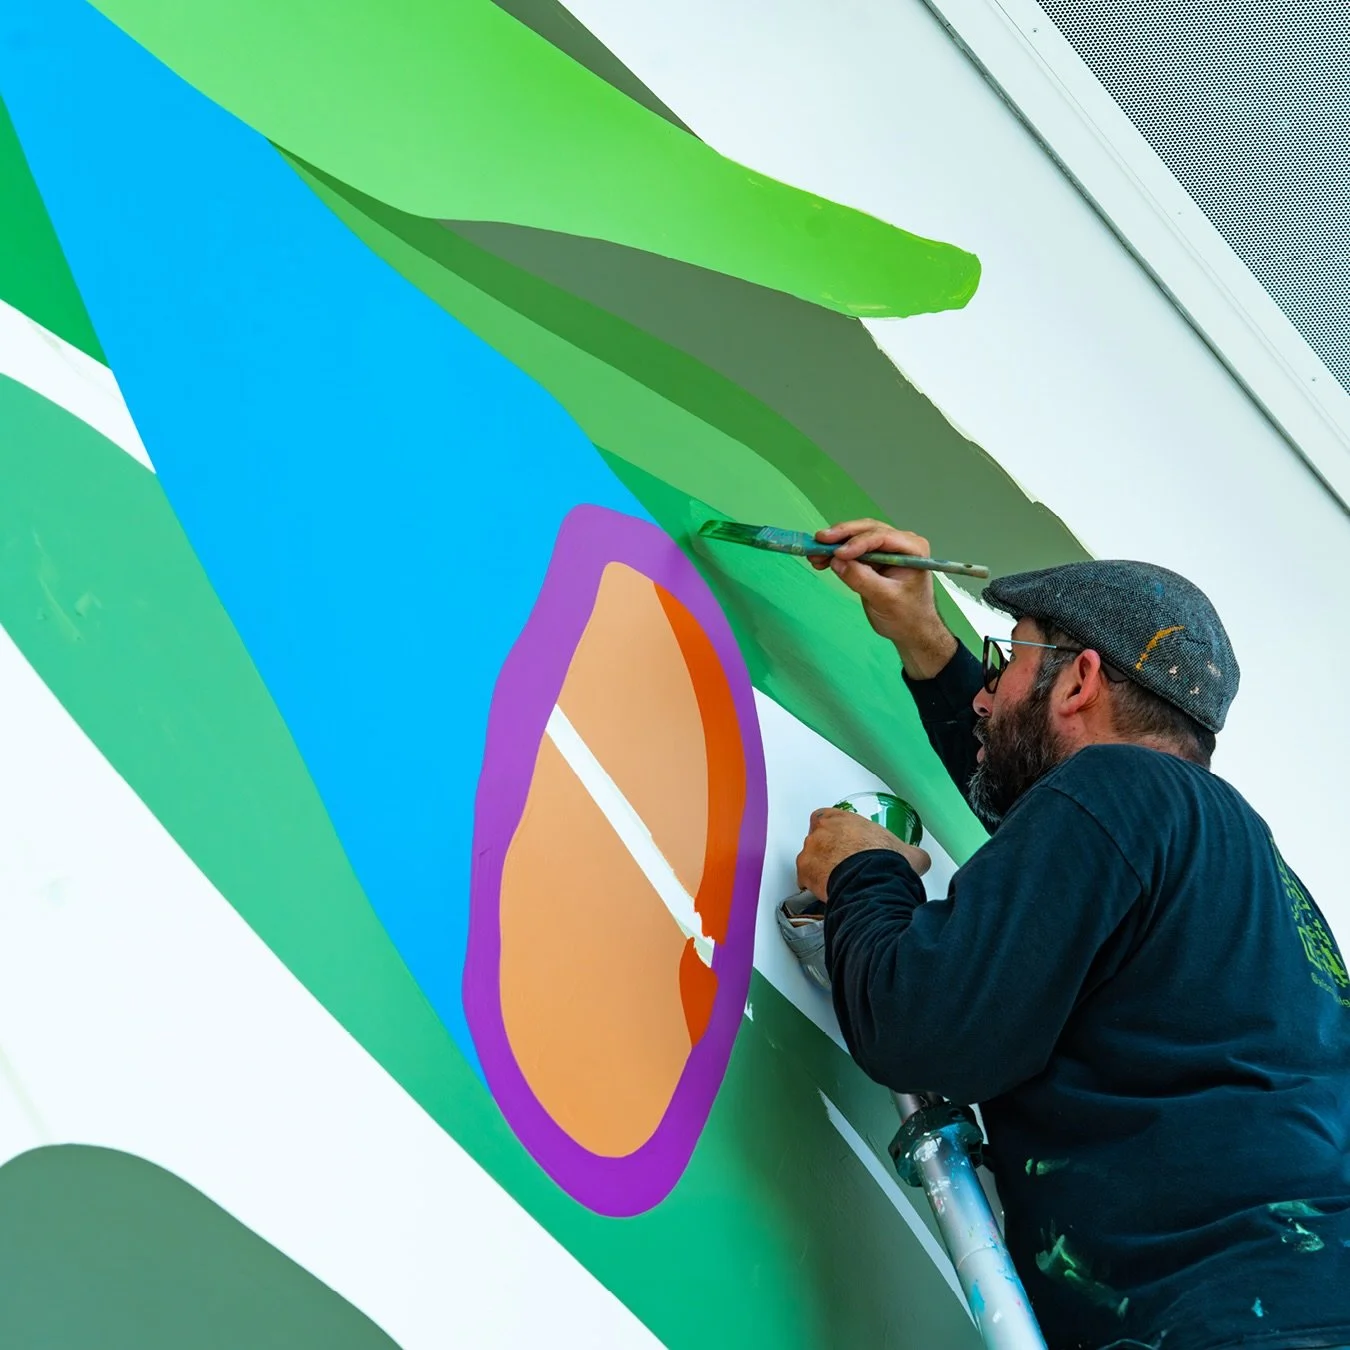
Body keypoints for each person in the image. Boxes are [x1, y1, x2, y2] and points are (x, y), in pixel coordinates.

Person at [795, 519, 1350, 1350]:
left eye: (1007, 663)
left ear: (1079, 678)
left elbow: (923, 1026)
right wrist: (923, 638)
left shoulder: (1121, 791)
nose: (983, 696)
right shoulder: (1252, 874)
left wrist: (862, 872)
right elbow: (1046, 847)